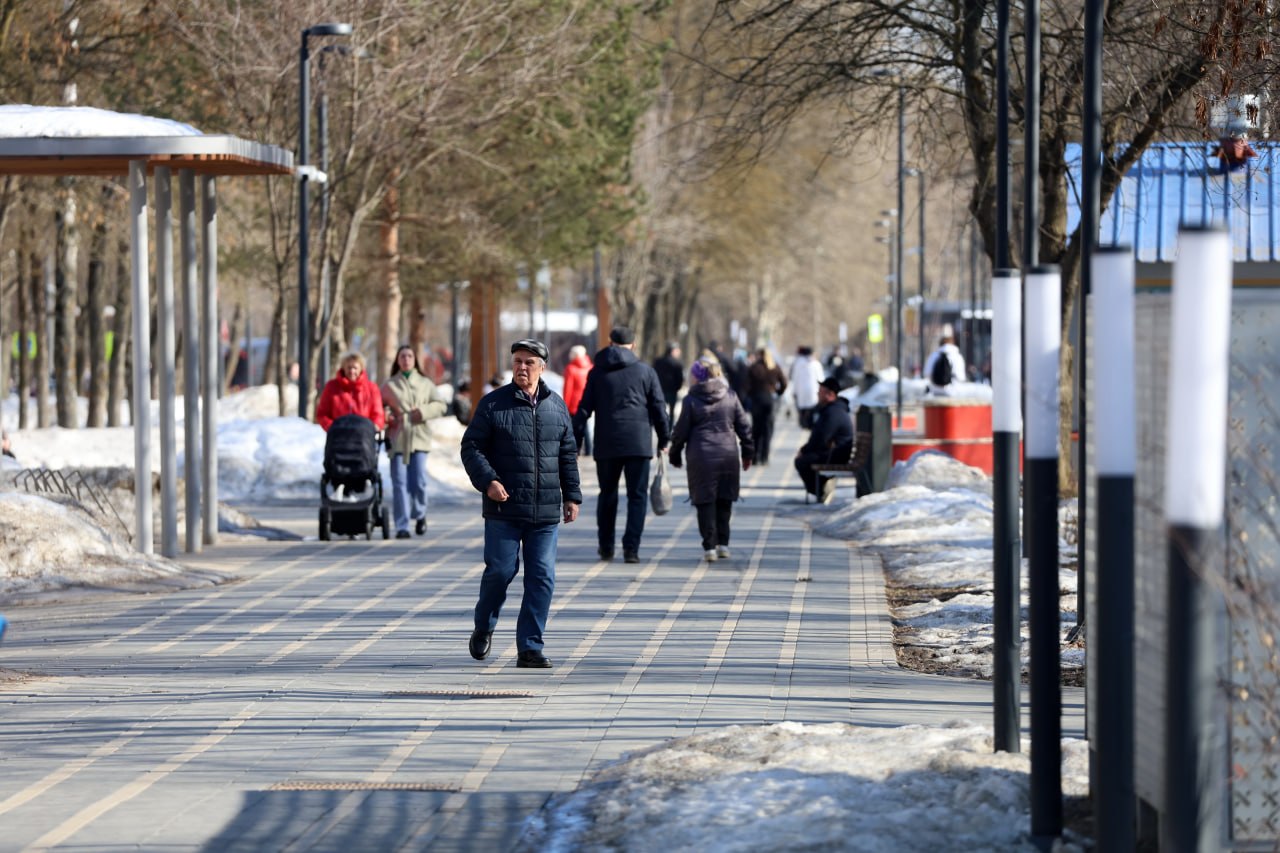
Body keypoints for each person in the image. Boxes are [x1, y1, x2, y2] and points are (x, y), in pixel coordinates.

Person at [460, 338, 582, 670]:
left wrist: (572, 496)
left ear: (542, 368)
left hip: (543, 511)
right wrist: (489, 482)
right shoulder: (493, 405)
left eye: (529, 362)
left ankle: (530, 646)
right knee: (500, 571)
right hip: (504, 508)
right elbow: (472, 447)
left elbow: (567, 456)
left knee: (542, 576)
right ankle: (484, 624)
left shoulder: (556, 407)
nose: (522, 367)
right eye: (517, 361)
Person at [572, 325, 671, 564]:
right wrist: (664, 438)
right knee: (637, 496)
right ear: (633, 345)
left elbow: (584, 408)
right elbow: (659, 407)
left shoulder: (597, 372)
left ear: (610, 343)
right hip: (638, 443)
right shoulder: (645, 372)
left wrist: (575, 442)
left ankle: (606, 547)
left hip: (606, 443)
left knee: (607, 494)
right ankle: (631, 549)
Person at [669, 356, 753, 562]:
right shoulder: (731, 396)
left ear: (697, 377)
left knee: (704, 500)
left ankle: (709, 546)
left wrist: (675, 453)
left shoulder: (691, 400)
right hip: (728, 454)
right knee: (725, 499)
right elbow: (744, 427)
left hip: (701, 456)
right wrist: (748, 452)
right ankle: (723, 543)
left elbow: (681, 431)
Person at [382, 345, 450, 539]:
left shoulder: (425, 383)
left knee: (418, 481)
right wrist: (388, 415)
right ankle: (402, 526)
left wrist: (423, 412)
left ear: (414, 360)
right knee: (399, 483)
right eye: (402, 356)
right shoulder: (389, 385)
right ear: (397, 360)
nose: (406, 359)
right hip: (397, 438)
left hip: (419, 437)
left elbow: (440, 405)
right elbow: (379, 407)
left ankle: (420, 514)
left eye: (409, 356)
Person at [793, 377, 854, 503]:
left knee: (802, 462)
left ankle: (821, 489)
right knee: (804, 459)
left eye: (821, 391)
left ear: (830, 395)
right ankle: (822, 487)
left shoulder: (833, 413)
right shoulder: (830, 409)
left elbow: (820, 438)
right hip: (834, 452)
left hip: (836, 455)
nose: (818, 394)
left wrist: (804, 451)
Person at [315, 351, 385, 432]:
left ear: (361, 368)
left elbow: (378, 414)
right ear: (343, 368)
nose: (352, 371)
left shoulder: (372, 388)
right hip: (338, 437)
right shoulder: (331, 386)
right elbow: (322, 414)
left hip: (363, 437)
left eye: (355, 368)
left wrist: (372, 427)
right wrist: (333, 427)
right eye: (349, 367)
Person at [743, 347, 787, 465]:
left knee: (756, 429)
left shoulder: (753, 368)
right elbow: (784, 383)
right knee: (767, 429)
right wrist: (778, 392)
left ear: (759, 355)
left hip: (757, 399)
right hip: (769, 400)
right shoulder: (774, 367)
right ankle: (765, 456)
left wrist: (750, 395)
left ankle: (755, 456)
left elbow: (746, 386)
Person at [561, 344, 594, 457]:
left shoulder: (571, 368)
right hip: (587, 401)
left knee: (576, 428)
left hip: (574, 403)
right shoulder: (590, 367)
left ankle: (576, 450)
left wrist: (565, 404)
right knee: (585, 426)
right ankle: (589, 449)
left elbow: (568, 389)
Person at [924, 325, 967, 397]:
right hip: (953, 391)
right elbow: (961, 377)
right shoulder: (957, 356)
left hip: (935, 390)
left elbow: (927, 373)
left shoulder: (934, 355)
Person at [788, 346, 824, 428]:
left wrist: (794, 391)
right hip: (813, 390)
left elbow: (795, 378)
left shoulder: (798, 363)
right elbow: (820, 378)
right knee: (811, 408)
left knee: (803, 408)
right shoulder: (816, 364)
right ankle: (809, 423)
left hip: (801, 390)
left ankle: (803, 422)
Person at [652, 341, 684, 425]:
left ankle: (658, 425)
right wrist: (677, 387)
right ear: (673, 351)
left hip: (659, 390)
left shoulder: (658, 361)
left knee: (659, 410)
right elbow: (680, 379)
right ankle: (668, 429)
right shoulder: (677, 363)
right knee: (671, 411)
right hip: (672, 391)